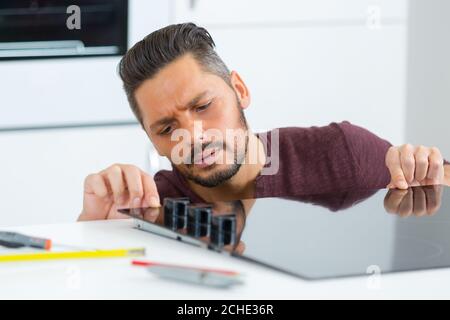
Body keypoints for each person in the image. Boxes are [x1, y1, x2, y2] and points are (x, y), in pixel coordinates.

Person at [78, 23, 449, 221]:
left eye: (204, 105)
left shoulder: (342, 154)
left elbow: (436, 181)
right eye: (165, 128)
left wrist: (423, 170)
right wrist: (96, 232)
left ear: (239, 89)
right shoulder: (150, 208)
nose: (192, 136)